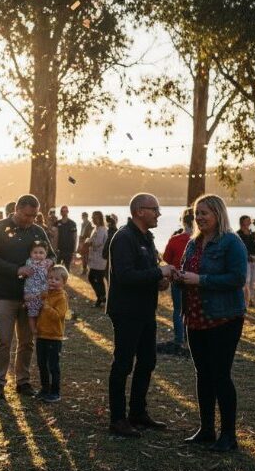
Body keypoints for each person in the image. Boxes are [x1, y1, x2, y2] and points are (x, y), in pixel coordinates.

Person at [176, 194, 247, 452]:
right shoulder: (194, 243)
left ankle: (228, 435)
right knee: (203, 375)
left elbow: (238, 278)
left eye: (205, 213)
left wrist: (200, 280)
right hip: (194, 317)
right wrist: (178, 276)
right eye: (197, 213)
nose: (200, 217)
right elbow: (188, 273)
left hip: (223, 318)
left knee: (220, 375)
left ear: (218, 214)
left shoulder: (231, 242)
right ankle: (206, 429)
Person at [106, 193, 176, 438]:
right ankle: (117, 418)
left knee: (147, 361)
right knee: (123, 364)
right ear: (139, 212)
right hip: (126, 311)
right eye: (154, 209)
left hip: (146, 310)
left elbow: (145, 272)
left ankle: (138, 412)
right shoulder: (124, 238)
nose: (158, 214)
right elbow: (125, 276)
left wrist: (160, 280)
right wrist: (158, 271)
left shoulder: (147, 237)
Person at [0, 194, 55, 400]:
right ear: (16, 209)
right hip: (5, 293)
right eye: (27, 215)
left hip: (31, 296)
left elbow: (51, 254)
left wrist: (49, 262)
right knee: (4, 340)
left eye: (34, 216)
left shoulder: (37, 230)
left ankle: (22, 380)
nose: (30, 220)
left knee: (26, 341)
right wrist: (17, 269)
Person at [157, 208, 194, 357]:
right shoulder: (203, 239)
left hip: (178, 279)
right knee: (194, 309)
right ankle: (192, 337)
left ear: (183, 222)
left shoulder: (175, 239)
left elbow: (167, 259)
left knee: (178, 310)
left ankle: (179, 338)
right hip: (196, 279)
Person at [36, 265, 69, 403]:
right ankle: (45, 389)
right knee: (41, 364)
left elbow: (59, 316)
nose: (52, 281)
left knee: (53, 366)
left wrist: (46, 307)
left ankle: (55, 392)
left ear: (63, 282)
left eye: (56, 279)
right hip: (41, 335)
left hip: (54, 337)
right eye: (50, 278)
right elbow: (38, 301)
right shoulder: (46, 294)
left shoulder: (61, 297)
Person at [23, 241, 54, 337]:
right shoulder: (29, 262)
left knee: (43, 311)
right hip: (31, 293)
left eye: (41, 253)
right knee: (32, 312)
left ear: (46, 253)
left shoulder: (47, 262)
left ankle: (42, 327)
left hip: (43, 292)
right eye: (35, 252)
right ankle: (33, 330)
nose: (38, 255)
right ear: (31, 253)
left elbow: (51, 269)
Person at [237, 215, 255, 308]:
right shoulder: (238, 234)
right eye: (247, 220)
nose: (249, 222)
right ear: (242, 222)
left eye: (250, 220)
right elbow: (240, 249)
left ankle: (250, 299)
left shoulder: (252, 233)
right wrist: (249, 257)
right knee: (246, 280)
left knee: (252, 281)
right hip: (245, 259)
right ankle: (244, 299)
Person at [86, 211, 109, 307]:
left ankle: (101, 298)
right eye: (93, 217)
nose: (94, 219)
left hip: (100, 258)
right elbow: (92, 240)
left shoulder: (102, 230)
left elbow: (98, 243)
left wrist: (89, 242)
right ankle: (101, 297)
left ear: (100, 218)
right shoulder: (95, 229)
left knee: (96, 278)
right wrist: (89, 241)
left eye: (96, 217)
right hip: (94, 258)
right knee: (93, 277)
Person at [54, 205, 77, 270]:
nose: (64, 212)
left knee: (67, 268)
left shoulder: (72, 223)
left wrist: (75, 251)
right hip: (59, 249)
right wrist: (54, 248)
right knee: (57, 267)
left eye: (65, 211)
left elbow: (75, 237)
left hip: (69, 249)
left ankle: (66, 280)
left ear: (68, 212)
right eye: (62, 211)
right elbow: (55, 237)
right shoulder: (57, 223)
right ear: (60, 212)